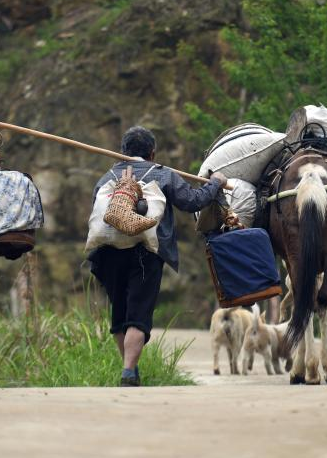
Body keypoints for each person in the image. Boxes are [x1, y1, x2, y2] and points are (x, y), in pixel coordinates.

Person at [88, 126, 226, 386]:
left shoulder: (106, 177)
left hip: (107, 253)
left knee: (120, 315)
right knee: (138, 316)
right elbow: (193, 202)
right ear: (152, 153)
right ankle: (129, 370)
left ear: (122, 152)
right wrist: (216, 183)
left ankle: (130, 368)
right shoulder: (163, 174)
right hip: (146, 253)